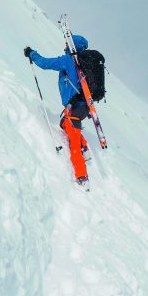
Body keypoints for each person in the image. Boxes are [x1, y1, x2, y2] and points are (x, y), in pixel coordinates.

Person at [24, 37, 91, 185]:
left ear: (73, 46)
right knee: (64, 123)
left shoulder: (69, 60)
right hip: (83, 106)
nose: (65, 46)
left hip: (75, 106)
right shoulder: (82, 63)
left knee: (73, 141)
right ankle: (84, 146)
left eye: (67, 44)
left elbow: (46, 63)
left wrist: (32, 54)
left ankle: (82, 176)